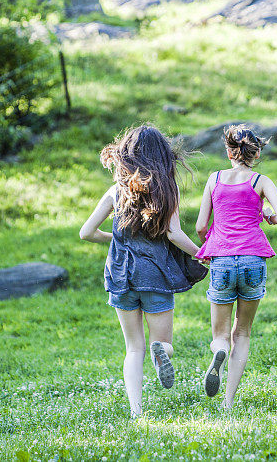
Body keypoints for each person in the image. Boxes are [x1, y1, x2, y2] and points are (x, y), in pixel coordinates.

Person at [79, 124, 201, 418]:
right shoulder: (167, 190)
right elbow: (173, 234)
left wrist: (117, 240)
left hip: (121, 277)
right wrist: (202, 254)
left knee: (134, 349)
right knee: (163, 344)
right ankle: (163, 355)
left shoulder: (115, 190)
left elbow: (86, 232)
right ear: (162, 156)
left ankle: (136, 412)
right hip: (155, 277)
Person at [194, 124, 277, 409]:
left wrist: (208, 245)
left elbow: (201, 226)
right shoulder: (260, 181)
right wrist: (268, 219)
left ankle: (219, 351)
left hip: (222, 260)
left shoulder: (215, 179)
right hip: (253, 259)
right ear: (257, 152)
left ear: (228, 151)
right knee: (243, 332)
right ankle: (228, 402)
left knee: (221, 336)